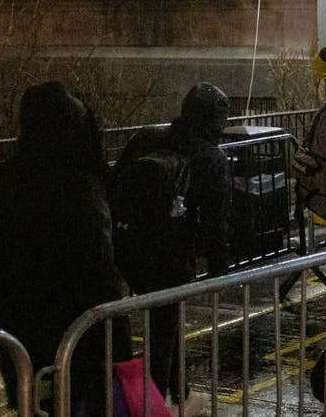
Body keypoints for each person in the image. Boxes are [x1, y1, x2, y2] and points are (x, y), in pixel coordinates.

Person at [0, 82, 132, 413]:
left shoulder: (1, 181)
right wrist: (120, 344)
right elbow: (98, 271)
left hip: (20, 329)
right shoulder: (78, 186)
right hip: (77, 338)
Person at [116, 82, 232, 412]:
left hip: (130, 249)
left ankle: (181, 393)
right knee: (162, 334)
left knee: (166, 321)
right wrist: (219, 271)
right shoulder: (211, 158)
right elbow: (216, 222)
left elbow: (117, 186)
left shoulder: (146, 138)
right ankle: (152, 406)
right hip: (172, 257)